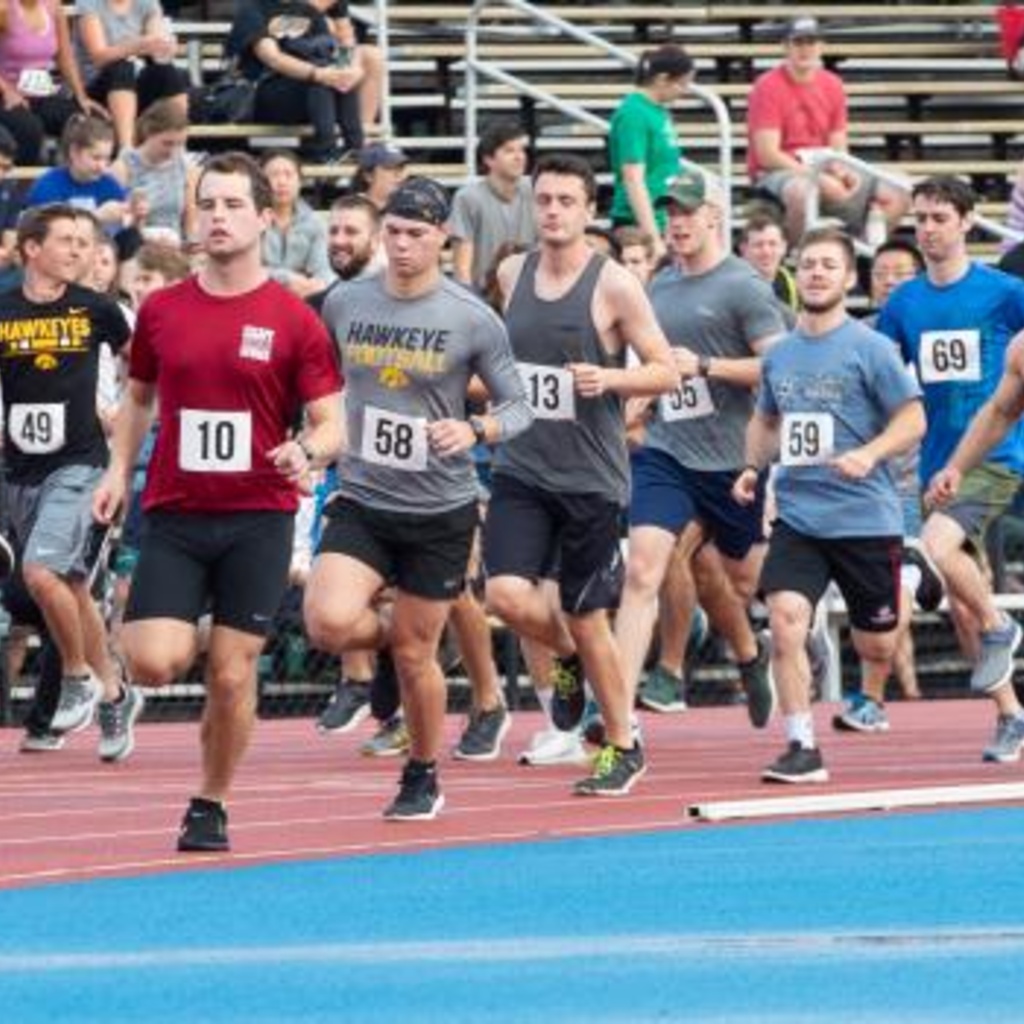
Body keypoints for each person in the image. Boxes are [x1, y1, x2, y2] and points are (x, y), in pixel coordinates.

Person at [93, 152, 344, 852]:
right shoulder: (163, 310)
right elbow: (138, 399)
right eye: (208, 205)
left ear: (265, 217)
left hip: (258, 516)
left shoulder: (294, 320)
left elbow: (333, 421)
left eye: (233, 205)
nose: (219, 217)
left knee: (233, 675)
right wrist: (116, 471)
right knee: (152, 660)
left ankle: (211, 800)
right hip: (176, 512)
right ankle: (202, 622)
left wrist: (307, 451)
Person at [305, 175, 533, 820]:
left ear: (442, 238)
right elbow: (320, 386)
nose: (402, 245)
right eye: (394, 232)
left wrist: (476, 429)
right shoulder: (345, 302)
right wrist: (311, 442)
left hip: (439, 508)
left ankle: (422, 774)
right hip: (363, 497)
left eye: (416, 234)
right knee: (326, 623)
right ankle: (392, 634)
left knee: (415, 656)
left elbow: (520, 406)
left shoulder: (471, 316)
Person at [484, 153, 678, 797]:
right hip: (521, 466)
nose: (553, 211)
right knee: (505, 596)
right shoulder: (512, 273)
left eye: (567, 201)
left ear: (589, 210)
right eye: (544, 200)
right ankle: (565, 656)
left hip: (590, 477)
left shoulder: (614, 284)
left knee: (587, 613)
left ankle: (623, 744)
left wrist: (612, 379)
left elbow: (666, 371)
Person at [734, 225, 925, 783]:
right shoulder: (780, 355)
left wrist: (870, 453)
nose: (817, 273)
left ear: (848, 280)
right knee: (784, 621)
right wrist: (751, 468)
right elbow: (766, 420)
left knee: (877, 643)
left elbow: (913, 418)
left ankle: (916, 571)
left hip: (865, 517)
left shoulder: (872, 348)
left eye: (829, 265)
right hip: (799, 516)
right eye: (809, 264)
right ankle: (802, 746)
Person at [614, 171, 785, 725]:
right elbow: (654, 365)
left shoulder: (743, 286)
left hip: (733, 460)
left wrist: (708, 366)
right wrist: (642, 396)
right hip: (667, 452)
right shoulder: (658, 287)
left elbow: (783, 366)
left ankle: (754, 651)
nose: (678, 222)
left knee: (735, 578)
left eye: (688, 212)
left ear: (715, 217)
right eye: (671, 213)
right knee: (648, 564)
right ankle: (620, 708)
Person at [878, 175, 1024, 764]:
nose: (928, 229)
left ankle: (1000, 625)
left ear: (966, 222)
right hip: (937, 464)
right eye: (920, 219)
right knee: (962, 602)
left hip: (996, 456)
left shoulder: (1005, 293)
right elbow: (881, 375)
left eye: (940, 218)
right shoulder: (903, 303)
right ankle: (1010, 714)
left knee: (939, 548)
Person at [0, 203, 140, 761]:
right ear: (31, 249)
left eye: (85, 242)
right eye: (67, 240)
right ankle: (116, 694)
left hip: (81, 467)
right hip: (19, 471)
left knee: (41, 572)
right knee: (72, 586)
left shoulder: (98, 308)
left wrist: (124, 417)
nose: (79, 250)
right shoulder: (4, 309)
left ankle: (78, 678)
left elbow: (145, 372)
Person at [746, 17, 909, 244]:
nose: (805, 49)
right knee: (802, 193)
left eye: (811, 42)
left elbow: (838, 144)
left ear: (821, 46)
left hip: (824, 165)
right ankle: (800, 257)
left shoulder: (833, 84)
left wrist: (844, 170)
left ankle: (861, 253)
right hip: (780, 171)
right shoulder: (767, 86)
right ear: (785, 46)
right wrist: (817, 177)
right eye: (798, 42)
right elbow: (768, 155)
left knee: (898, 189)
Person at [230, 0, 363, 164]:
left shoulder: (308, 10)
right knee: (322, 81)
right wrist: (316, 74)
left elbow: (334, 46)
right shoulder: (253, 9)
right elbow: (272, 58)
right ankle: (326, 151)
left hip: (309, 95)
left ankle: (355, 148)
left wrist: (344, 70)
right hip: (264, 96)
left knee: (342, 80)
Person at [608, 43, 693, 260]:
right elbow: (633, 179)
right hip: (636, 224)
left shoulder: (658, 112)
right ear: (662, 79)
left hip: (661, 219)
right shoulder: (633, 113)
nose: (685, 91)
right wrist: (652, 237)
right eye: (682, 84)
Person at [74, 0, 189, 153]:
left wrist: (164, 47)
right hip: (98, 85)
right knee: (122, 68)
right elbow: (99, 57)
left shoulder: (147, 3)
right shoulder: (89, 3)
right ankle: (126, 151)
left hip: (134, 82)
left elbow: (155, 44)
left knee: (168, 72)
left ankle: (179, 147)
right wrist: (136, 45)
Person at [0, 0, 104, 165]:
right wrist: (6, 90)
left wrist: (81, 96)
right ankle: (23, 178)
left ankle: (69, 174)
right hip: (6, 95)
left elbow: (65, 57)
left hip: (42, 93)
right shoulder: (4, 8)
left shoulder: (54, 7)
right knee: (30, 130)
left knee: (87, 121)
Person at [449, 119, 536, 292]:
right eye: (509, 151)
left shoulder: (537, 190)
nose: (519, 157)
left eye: (521, 150)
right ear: (488, 159)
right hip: (484, 295)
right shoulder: (467, 198)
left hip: (531, 293)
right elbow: (462, 269)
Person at [25, 113, 143, 239]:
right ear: (74, 152)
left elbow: (124, 225)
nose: (102, 167)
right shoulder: (48, 185)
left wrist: (135, 216)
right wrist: (97, 216)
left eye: (107, 159)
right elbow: (51, 233)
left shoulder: (109, 183)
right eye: (96, 158)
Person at [110, 97, 196, 248]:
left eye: (180, 144)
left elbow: (190, 212)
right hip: (137, 247)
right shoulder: (123, 166)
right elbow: (114, 222)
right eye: (167, 143)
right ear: (149, 133)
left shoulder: (183, 164)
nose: (173, 151)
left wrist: (191, 241)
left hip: (174, 247)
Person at [259, 148, 332, 298]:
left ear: (300, 182)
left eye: (288, 174)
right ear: (261, 183)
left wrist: (316, 285)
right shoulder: (251, 219)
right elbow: (246, 271)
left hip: (304, 298)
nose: (282, 182)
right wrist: (288, 278)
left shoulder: (315, 223)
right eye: (274, 175)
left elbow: (323, 272)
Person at [739, 208, 798, 317]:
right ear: (744, 249)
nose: (766, 252)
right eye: (758, 245)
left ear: (784, 247)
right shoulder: (729, 288)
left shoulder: (799, 285)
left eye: (772, 244)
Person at [349, 141, 408, 210]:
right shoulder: (351, 210)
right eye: (389, 168)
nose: (399, 175)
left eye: (401, 168)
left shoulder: (410, 208)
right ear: (368, 176)